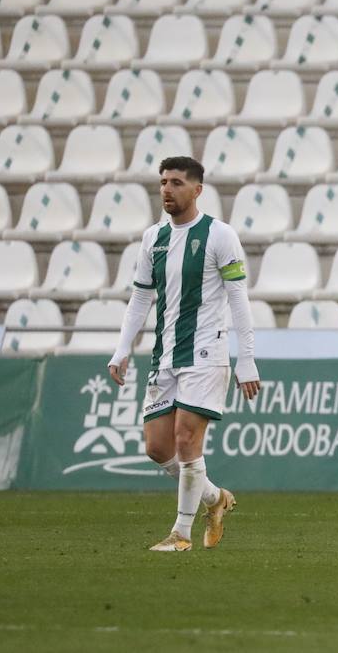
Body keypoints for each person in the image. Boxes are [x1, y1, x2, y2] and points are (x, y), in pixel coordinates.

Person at [109, 156, 262, 552]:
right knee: (157, 449)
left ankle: (181, 534)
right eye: (163, 182)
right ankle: (215, 499)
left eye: (176, 182)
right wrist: (122, 348)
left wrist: (246, 358)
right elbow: (141, 296)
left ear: (197, 190)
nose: (166, 189)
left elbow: (238, 299)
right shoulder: (153, 238)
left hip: (207, 352)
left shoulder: (219, 235)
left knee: (185, 440)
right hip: (165, 356)